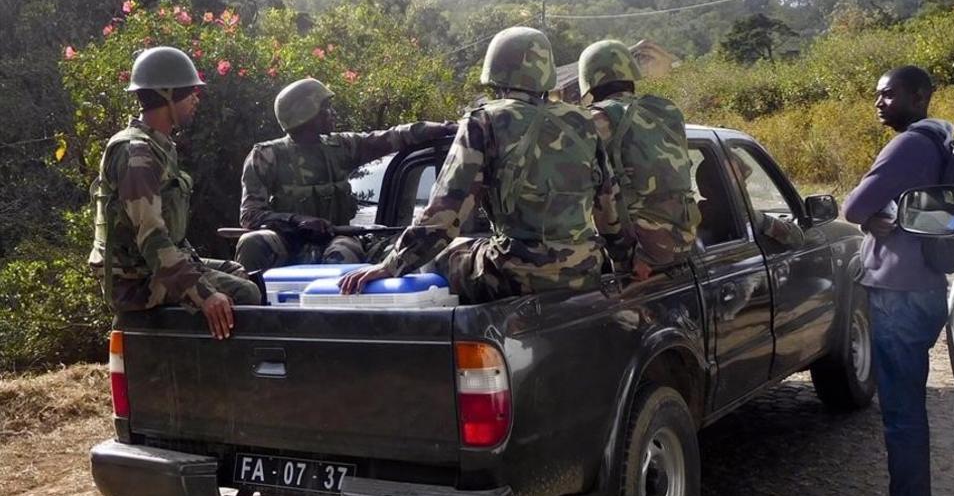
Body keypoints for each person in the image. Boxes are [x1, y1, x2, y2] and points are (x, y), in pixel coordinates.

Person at [339, 26, 621, 302]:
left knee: (444, 255)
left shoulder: (484, 121)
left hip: (515, 273)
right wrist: (625, 262)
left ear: (497, 73)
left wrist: (391, 264)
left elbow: (445, 216)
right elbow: (610, 209)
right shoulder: (583, 122)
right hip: (586, 270)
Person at [842, 65, 952, 496]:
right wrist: (880, 217)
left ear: (920, 96)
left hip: (901, 294)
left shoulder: (909, 145)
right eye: (877, 95)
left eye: (889, 94)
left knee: (903, 416)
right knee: (904, 412)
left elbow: (853, 205)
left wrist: (869, 216)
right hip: (921, 287)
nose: (879, 103)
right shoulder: (938, 142)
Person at [88, 46, 260, 340]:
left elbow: (168, 233)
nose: (196, 98)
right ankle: (216, 379)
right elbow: (151, 238)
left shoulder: (156, 146)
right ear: (167, 95)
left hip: (150, 268)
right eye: (189, 91)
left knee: (238, 271)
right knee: (244, 293)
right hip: (135, 282)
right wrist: (204, 294)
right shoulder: (136, 155)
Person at [235, 78, 456, 271]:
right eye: (326, 108)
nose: (332, 113)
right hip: (287, 239)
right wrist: (295, 220)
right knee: (252, 243)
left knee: (343, 252)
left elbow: (389, 138)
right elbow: (250, 215)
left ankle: (335, 315)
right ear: (307, 113)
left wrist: (439, 129)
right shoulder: (266, 156)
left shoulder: (341, 146)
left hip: (337, 236)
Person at [577, 39, 700, 280]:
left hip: (635, 254)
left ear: (590, 81)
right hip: (682, 241)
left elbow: (584, 187)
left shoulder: (596, 121)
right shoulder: (668, 111)